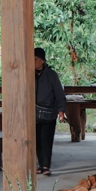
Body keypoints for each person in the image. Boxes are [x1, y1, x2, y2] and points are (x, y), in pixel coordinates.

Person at [34, 47, 66, 176]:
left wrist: (61, 110)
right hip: (34, 113)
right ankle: (40, 165)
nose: (33, 62)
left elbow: (59, 93)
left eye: (35, 59)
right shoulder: (28, 74)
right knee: (37, 140)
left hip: (48, 112)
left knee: (46, 139)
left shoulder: (51, 74)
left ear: (42, 61)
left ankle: (46, 165)